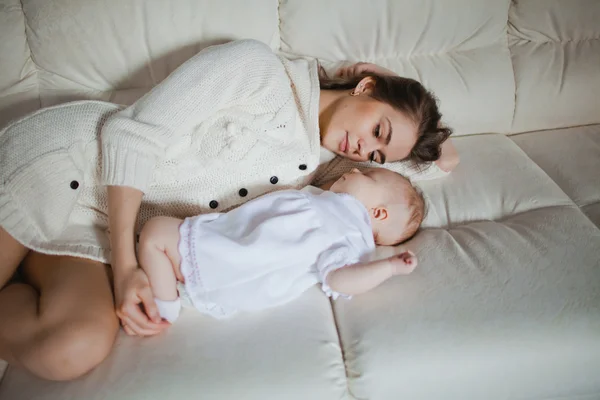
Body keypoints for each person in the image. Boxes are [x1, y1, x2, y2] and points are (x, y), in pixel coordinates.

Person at [0, 39, 457, 380]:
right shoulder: (256, 69)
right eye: (378, 129)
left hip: (97, 230)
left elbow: (443, 161)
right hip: (68, 169)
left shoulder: (334, 174)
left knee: (70, 348)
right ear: (365, 87)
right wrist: (125, 266)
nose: (365, 149)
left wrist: (410, 133)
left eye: (378, 156)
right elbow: (130, 135)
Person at [138, 168, 422, 323]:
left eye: (368, 175)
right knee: (156, 235)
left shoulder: (349, 235)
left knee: (153, 231)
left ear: (379, 213)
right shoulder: (330, 203)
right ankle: (167, 294)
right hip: (230, 245)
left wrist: (388, 267)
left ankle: (164, 310)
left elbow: (341, 280)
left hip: (232, 257)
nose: (356, 169)